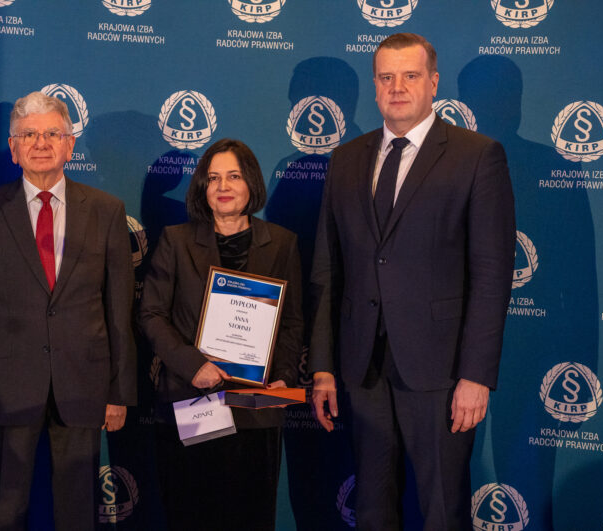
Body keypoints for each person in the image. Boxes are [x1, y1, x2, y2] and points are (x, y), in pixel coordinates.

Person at [309, 33, 515, 530]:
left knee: (443, 511)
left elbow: (492, 276)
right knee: (372, 509)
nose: (397, 87)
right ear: (374, 85)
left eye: (410, 76)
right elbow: (327, 269)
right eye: (386, 77)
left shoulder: (476, 156)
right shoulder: (346, 159)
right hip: (363, 368)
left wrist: (476, 375)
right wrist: (323, 368)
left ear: (434, 82)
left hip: (441, 372)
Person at [0, 91, 136, 530]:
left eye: (52, 133)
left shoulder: (107, 211)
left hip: (83, 386)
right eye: (28, 135)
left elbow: (119, 311)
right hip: (5, 390)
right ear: (12, 148)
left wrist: (118, 391)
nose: (40, 143)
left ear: (70, 145)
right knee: (6, 512)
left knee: (77, 513)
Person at [138, 138, 303, 531]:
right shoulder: (176, 240)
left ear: (252, 184)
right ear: (202, 187)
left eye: (234, 176)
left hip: (258, 404)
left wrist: (284, 378)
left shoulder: (282, 243)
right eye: (213, 178)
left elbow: (293, 322)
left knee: (251, 516)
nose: (223, 186)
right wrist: (193, 365)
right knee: (193, 513)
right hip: (195, 400)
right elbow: (152, 314)